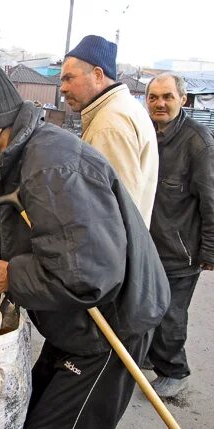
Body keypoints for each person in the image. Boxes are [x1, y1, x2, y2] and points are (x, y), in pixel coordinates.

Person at [0, 61, 169, 428]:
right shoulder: (19, 157)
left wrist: (9, 276)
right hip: (72, 319)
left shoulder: (52, 170)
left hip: (108, 328)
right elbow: (5, 229)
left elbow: (89, 274)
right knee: (31, 415)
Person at [145, 72, 214, 397]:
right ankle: (149, 355)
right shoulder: (148, 134)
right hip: (150, 246)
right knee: (147, 305)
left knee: (171, 314)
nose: (160, 103)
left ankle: (175, 371)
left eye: (167, 97)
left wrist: (210, 252)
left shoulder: (197, 142)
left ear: (182, 100)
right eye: (153, 97)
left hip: (181, 252)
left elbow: (211, 200)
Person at [60, 35, 158, 226]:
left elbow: (115, 213)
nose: (62, 88)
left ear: (97, 75)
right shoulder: (124, 108)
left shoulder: (109, 125)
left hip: (111, 253)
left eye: (69, 78)